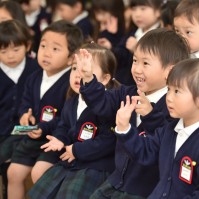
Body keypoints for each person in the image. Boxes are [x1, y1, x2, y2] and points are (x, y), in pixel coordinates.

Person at [79, 28, 190, 198]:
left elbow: (166, 144)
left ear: (171, 71)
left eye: (145, 63)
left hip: (145, 190)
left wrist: (150, 115)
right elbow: (102, 103)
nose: (137, 69)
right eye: (135, 61)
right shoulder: (128, 93)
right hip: (117, 180)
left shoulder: (174, 106)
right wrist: (88, 78)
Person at [113, 58, 199, 198]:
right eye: (168, 89)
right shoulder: (170, 128)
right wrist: (124, 128)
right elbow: (146, 152)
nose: (169, 97)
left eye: (177, 91)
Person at [28, 42, 119, 199]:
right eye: (75, 68)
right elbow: (63, 126)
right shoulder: (72, 100)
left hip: (95, 166)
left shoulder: (107, 105)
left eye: (86, 70)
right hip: (73, 160)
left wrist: (77, 150)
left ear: (104, 79)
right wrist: (60, 140)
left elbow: (109, 141)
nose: (78, 74)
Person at [6, 20, 83, 199]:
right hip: (32, 136)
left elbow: (67, 118)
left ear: (71, 58)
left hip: (55, 140)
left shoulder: (71, 82)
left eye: (55, 49)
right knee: (13, 173)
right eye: (43, 46)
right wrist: (26, 116)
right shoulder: (34, 77)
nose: (46, 53)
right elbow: (25, 104)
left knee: (39, 174)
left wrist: (44, 127)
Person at [0, 19, 39, 199]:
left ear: (27, 45)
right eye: (3, 51)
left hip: (24, 131)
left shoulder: (35, 70)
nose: (10, 56)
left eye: (16, 49)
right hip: (1, 130)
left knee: (12, 165)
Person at [113, 0, 162, 85]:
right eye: (134, 9)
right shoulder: (133, 32)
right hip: (122, 84)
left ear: (158, 11)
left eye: (143, 9)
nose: (137, 14)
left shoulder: (161, 36)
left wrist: (138, 49)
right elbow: (119, 57)